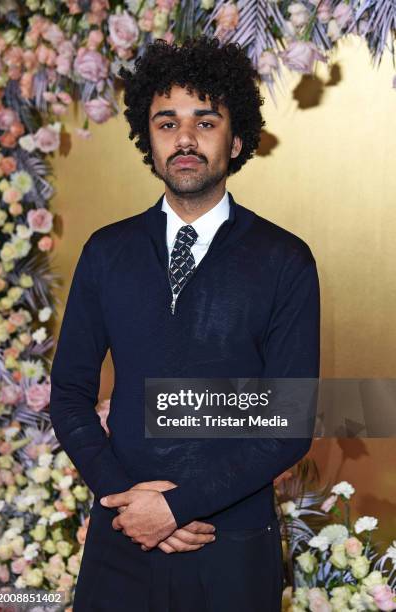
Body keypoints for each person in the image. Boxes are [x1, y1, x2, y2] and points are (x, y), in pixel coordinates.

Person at [49, 36, 320, 612]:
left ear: (237, 137)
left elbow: (290, 422)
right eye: (167, 123)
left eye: (206, 121)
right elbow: (69, 395)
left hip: (231, 545)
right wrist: (127, 500)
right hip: (120, 537)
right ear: (149, 140)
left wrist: (175, 507)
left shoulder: (284, 259)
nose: (186, 139)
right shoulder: (106, 251)